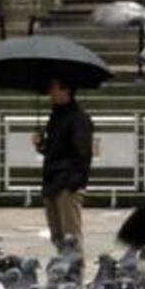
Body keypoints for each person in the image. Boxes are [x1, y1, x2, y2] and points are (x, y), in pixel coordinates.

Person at [34, 78, 94, 254]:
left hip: (67, 184)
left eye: (53, 88)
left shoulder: (79, 118)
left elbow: (82, 154)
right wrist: (41, 145)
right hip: (52, 181)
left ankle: (75, 275)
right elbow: (55, 149)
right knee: (57, 235)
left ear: (65, 90)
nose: (50, 93)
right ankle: (62, 273)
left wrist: (73, 183)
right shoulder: (56, 116)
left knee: (71, 236)